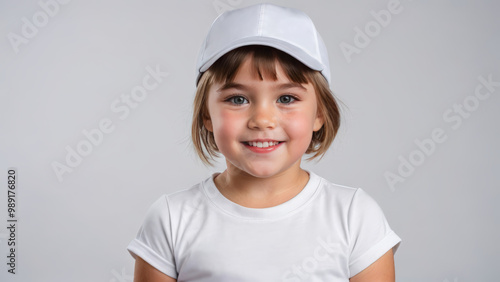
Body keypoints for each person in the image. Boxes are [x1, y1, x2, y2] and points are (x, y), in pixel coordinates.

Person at [127, 3, 401, 281]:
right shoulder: (172, 219)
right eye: (238, 99)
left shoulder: (355, 216)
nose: (262, 119)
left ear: (319, 114)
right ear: (207, 115)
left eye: (286, 98)